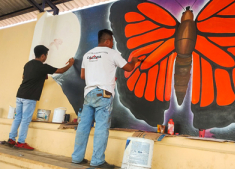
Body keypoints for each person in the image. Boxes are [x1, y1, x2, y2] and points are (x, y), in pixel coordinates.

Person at [72, 29, 140, 168]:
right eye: (112, 41)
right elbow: (128, 68)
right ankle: (97, 161)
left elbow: (83, 76)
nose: (112, 44)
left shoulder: (87, 54)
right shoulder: (112, 53)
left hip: (89, 93)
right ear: (108, 41)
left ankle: (77, 158)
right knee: (101, 127)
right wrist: (133, 60)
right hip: (103, 94)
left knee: (83, 127)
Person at [5, 45, 75, 150]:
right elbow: (60, 70)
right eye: (46, 55)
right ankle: (20, 142)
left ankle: (11, 139)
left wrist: (39, 76)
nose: (46, 57)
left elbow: (24, 77)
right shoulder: (43, 66)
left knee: (18, 118)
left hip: (20, 94)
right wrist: (70, 64)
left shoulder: (28, 64)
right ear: (43, 56)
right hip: (30, 97)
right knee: (25, 119)